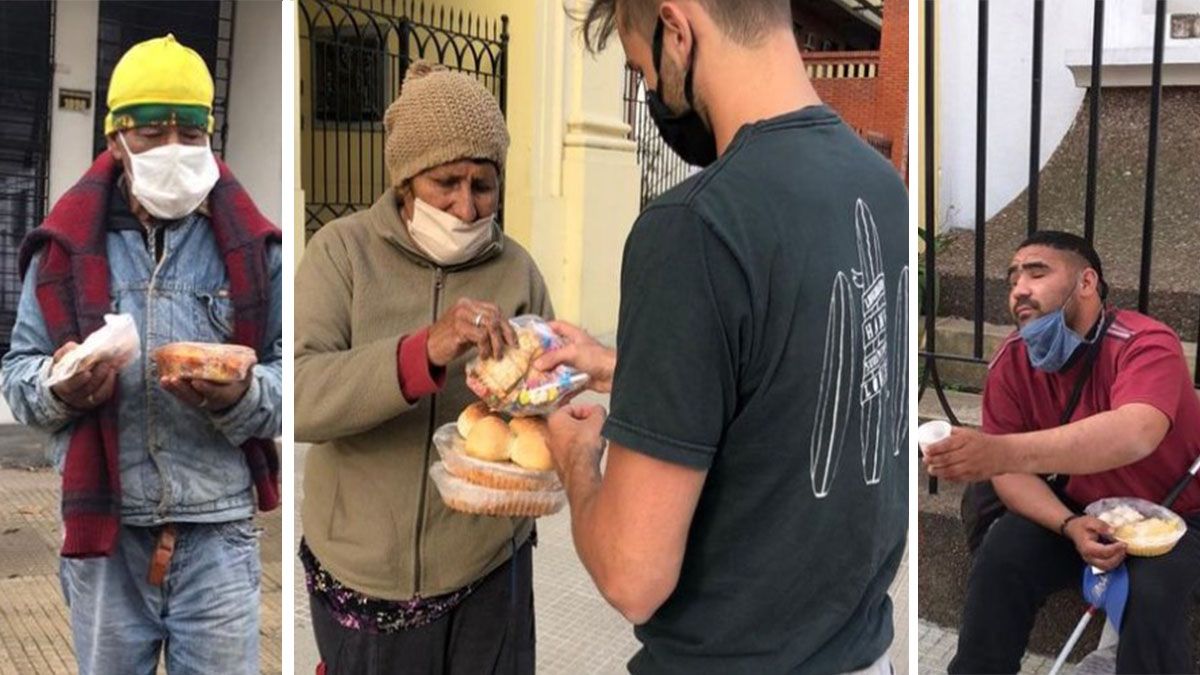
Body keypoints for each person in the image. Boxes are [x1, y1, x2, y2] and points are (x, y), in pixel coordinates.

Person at [534, 1, 909, 672]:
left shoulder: (695, 226)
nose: (650, 93)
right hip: (860, 651)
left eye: (643, 71)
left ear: (677, 30)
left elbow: (632, 573)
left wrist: (575, 455)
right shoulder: (880, 186)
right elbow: (801, 369)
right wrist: (630, 367)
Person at [0, 35, 282, 674]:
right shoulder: (63, 251)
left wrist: (245, 394)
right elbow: (18, 374)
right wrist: (58, 386)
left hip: (218, 535)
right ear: (116, 140)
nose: (174, 150)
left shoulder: (255, 251)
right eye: (153, 132)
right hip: (107, 541)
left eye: (191, 131)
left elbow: (294, 376)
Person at [294, 62, 553, 674]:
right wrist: (422, 352)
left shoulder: (518, 271)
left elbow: (544, 410)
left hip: (488, 567)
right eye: (446, 182)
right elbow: (301, 396)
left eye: (483, 184)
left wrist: (534, 396)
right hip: (365, 574)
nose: (466, 206)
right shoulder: (342, 254)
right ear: (406, 181)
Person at [923, 231, 1200, 674]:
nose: (1019, 289)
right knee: (1004, 553)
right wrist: (1068, 524)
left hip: (1173, 516)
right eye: (1012, 278)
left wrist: (1000, 451)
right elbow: (1009, 474)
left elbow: (1137, 432)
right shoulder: (1011, 360)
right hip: (1080, 509)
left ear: (1086, 282)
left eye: (1037, 272)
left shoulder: (1145, 343)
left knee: (1151, 595)